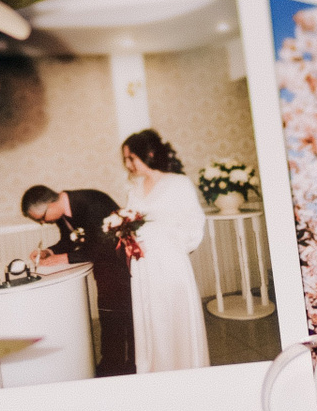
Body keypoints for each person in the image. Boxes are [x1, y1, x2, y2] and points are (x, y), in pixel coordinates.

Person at [119, 129, 210, 373]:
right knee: (152, 317)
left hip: (169, 260)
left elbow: (194, 222)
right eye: (125, 159)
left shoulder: (178, 183)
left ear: (148, 154)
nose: (128, 165)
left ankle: (185, 366)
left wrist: (169, 243)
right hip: (143, 264)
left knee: (174, 315)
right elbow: (130, 220)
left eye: (131, 158)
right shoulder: (135, 187)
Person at [22, 183, 135, 376]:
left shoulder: (92, 203)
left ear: (50, 205)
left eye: (41, 219)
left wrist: (64, 258)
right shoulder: (62, 212)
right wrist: (49, 252)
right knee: (109, 317)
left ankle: (133, 366)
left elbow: (103, 246)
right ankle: (112, 365)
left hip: (122, 264)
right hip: (105, 268)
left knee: (129, 318)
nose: (43, 223)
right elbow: (68, 240)